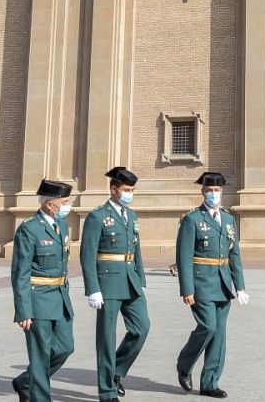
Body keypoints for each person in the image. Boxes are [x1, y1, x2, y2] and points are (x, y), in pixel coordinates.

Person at [175, 171, 248, 399]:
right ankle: (184, 364)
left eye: (216, 190)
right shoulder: (192, 219)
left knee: (219, 335)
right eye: (209, 190)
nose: (213, 194)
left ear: (222, 192)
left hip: (223, 284)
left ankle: (210, 382)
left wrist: (240, 286)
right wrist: (187, 289)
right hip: (201, 283)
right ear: (202, 192)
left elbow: (234, 254)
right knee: (208, 327)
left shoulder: (228, 219)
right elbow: (183, 257)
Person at [81, 166, 149, 402]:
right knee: (106, 339)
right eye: (126, 189)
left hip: (131, 280)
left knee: (142, 328)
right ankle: (107, 391)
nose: (130, 193)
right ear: (113, 190)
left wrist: (141, 278)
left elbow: (136, 249)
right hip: (107, 282)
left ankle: (117, 371)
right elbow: (87, 254)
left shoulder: (132, 215)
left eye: (132, 190)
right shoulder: (97, 216)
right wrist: (93, 288)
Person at [11, 179, 75, 402]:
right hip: (37, 299)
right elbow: (20, 272)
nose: (68, 206)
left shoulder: (63, 225)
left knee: (65, 347)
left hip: (60, 297)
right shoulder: (29, 229)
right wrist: (23, 310)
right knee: (40, 357)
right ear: (50, 204)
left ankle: (25, 382)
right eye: (64, 202)